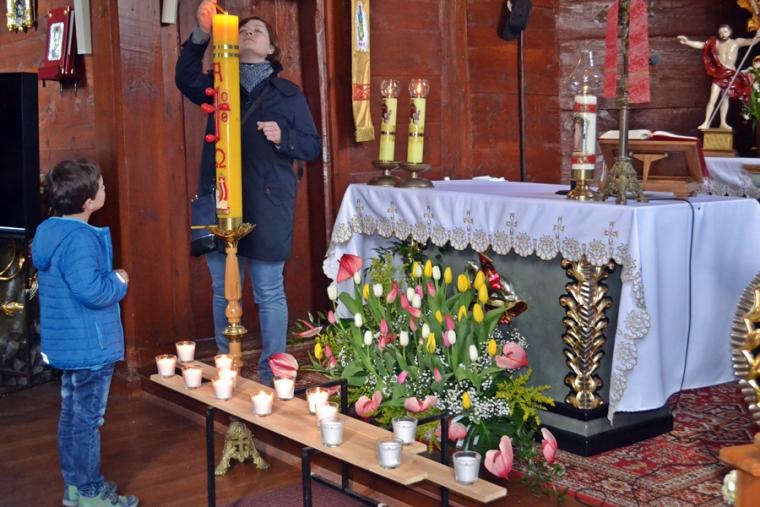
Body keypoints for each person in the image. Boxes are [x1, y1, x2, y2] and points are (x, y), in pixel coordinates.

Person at [175, 0, 321, 386]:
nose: (249, 33)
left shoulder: (288, 94)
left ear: (271, 48)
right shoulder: (216, 82)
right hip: (220, 198)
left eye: (258, 31)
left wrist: (283, 137)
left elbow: (311, 146)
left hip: (269, 202)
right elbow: (183, 77)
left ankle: (272, 373)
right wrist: (202, 33)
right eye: (242, 30)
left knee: (269, 290)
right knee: (223, 289)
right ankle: (228, 368)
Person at [32, 160, 137, 507]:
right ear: (89, 202)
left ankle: (76, 486)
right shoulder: (79, 239)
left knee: (73, 416)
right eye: (102, 186)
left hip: (70, 346)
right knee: (87, 420)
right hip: (90, 347)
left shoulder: (50, 231)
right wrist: (118, 280)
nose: (106, 189)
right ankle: (91, 494)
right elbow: (91, 291)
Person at [677, 25, 756, 130]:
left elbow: (752, 41)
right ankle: (706, 122)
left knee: (725, 99)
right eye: (721, 32)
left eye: (725, 31)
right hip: (719, 74)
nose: (723, 34)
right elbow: (702, 45)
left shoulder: (737, 42)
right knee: (713, 98)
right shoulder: (716, 43)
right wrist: (687, 42)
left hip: (731, 74)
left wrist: (758, 36)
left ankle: (723, 122)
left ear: (730, 31)